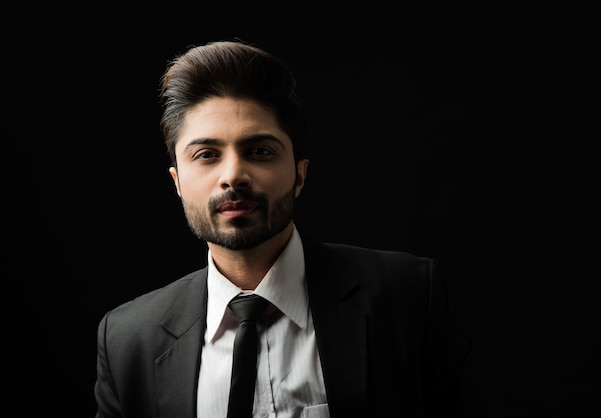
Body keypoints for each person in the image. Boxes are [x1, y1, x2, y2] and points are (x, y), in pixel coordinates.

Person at [94, 39, 472, 418]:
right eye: (206, 155)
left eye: (259, 151)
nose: (233, 176)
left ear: (299, 175)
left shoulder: (408, 298)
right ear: (177, 182)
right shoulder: (127, 340)